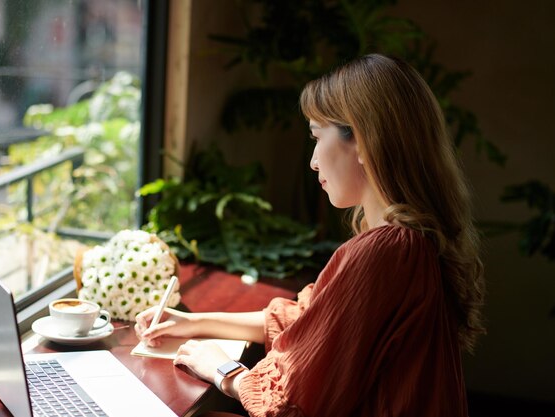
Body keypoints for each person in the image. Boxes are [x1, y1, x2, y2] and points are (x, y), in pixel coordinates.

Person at [135, 53, 486, 417]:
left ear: (364, 141)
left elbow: (289, 404)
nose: (313, 161)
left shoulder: (385, 251)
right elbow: (305, 317)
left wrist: (223, 369)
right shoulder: (411, 242)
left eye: (318, 137)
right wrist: (193, 322)